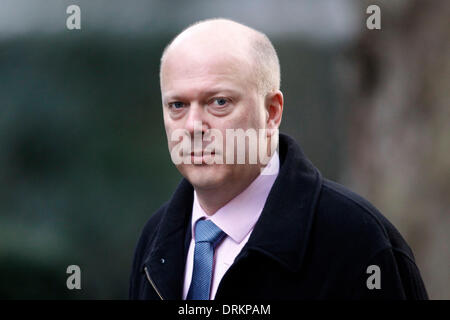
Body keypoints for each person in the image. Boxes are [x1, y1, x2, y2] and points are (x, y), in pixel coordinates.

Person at [129, 18, 428, 300]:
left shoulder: (359, 243)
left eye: (219, 102)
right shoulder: (155, 239)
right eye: (177, 105)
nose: (193, 126)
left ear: (272, 111)